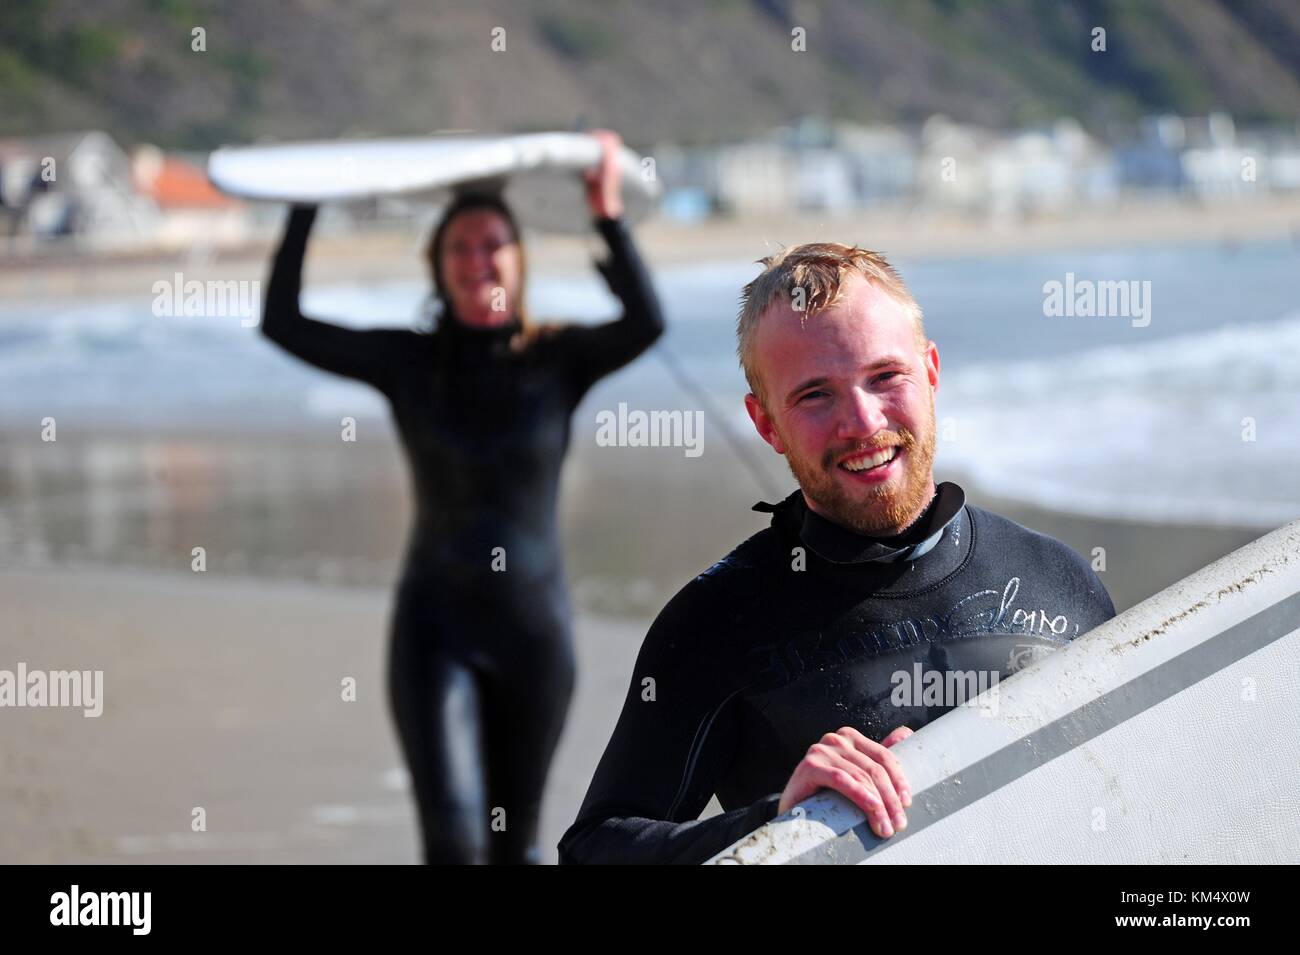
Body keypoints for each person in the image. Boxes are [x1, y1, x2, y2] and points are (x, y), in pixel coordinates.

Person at [558, 243, 1116, 865]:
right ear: (766, 423)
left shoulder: (1061, 580)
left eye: (885, 376)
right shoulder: (715, 625)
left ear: (930, 373)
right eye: (816, 395)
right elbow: (592, 850)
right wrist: (782, 821)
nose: (863, 421)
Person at [260, 130, 664, 864]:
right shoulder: (407, 361)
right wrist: (305, 201)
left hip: (534, 634)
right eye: (461, 249)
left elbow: (646, 322)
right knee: (452, 844)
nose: (480, 262)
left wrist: (605, 214)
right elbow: (282, 324)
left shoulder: (559, 359)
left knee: (519, 848)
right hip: (434, 630)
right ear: (438, 267)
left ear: (519, 257)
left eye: (495, 245)